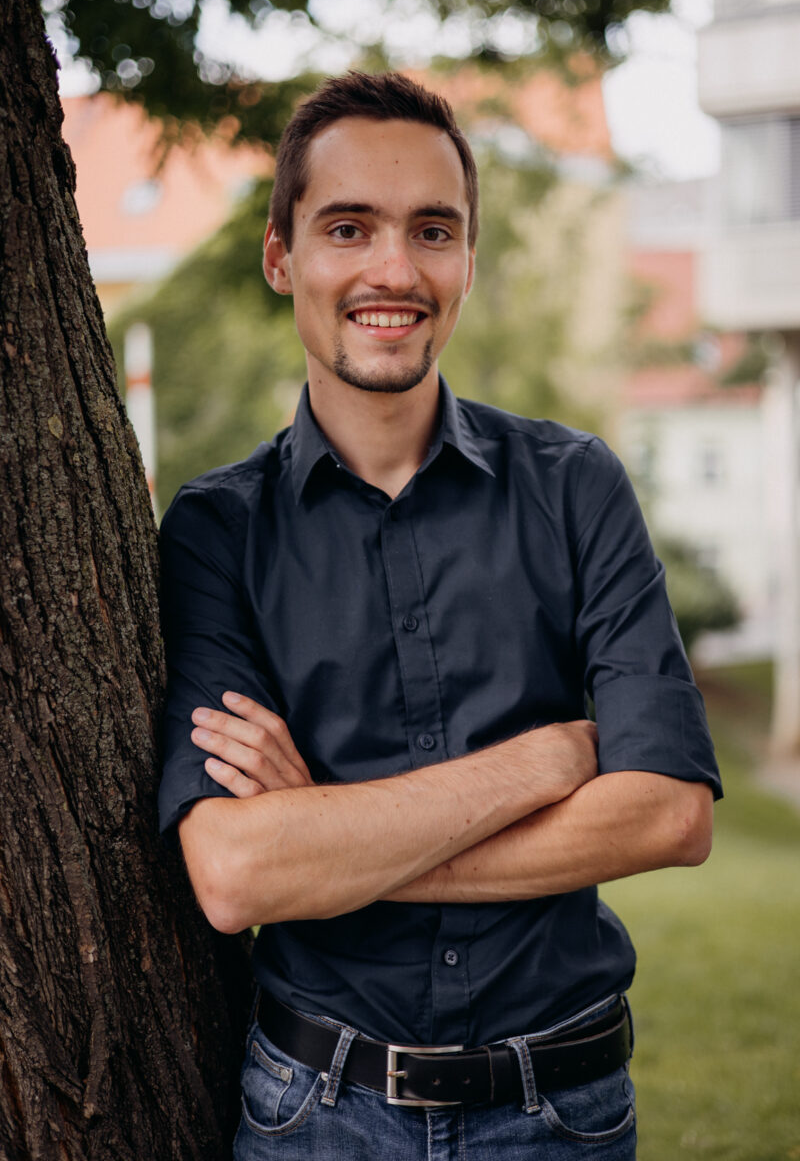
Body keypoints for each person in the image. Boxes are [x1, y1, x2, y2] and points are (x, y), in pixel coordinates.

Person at [158, 71, 722, 1160]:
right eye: (346, 227)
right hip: (313, 1115)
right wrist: (549, 761)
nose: (392, 270)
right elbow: (235, 875)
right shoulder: (213, 530)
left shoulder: (575, 485)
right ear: (282, 257)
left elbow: (665, 815)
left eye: (430, 230)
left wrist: (331, 835)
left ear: (467, 259)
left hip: (561, 1111)